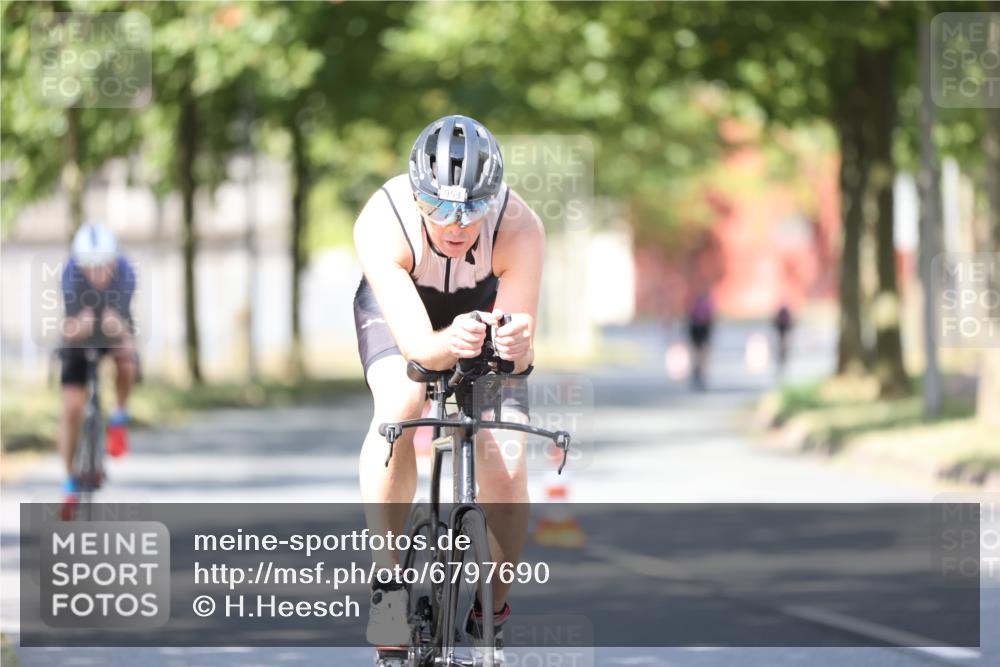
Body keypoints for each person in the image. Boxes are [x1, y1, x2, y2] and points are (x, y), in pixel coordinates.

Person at [352, 115, 543, 663]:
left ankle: (492, 608)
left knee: (507, 460)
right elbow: (418, 350)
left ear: (493, 199)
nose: (455, 224)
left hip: (481, 310)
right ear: (417, 196)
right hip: (402, 314)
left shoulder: (520, 226)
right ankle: (389, 584)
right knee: (400, 405)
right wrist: (446, 343)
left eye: (472, 209)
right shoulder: (382, 220)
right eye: (437, 208)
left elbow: (519, 357)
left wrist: (517, 345)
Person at [58, 223, 137, 511]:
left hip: (113, 326)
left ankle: (118, 418)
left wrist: (118, 328)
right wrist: (78, 327)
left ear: (114, 262)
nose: (98, 274)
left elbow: (125, 329)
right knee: (72, 408)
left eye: (104, 266)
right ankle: (70, 479)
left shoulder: (126, 273)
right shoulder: (70, 275)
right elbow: (68, 328)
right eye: (91, 268)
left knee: (127, 359)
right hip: (80, 333)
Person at [687, 289, 714, 390]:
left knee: (700, 353)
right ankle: (698, 371)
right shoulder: (705, 305)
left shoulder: (703, 305)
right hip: (699, 331)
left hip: (700, 331)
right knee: (700, 353)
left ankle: (699, 371)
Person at [773, 303, 794, 376]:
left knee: (783, 341)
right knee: (782, 341)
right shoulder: (783, 312)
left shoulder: (783, 312)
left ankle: (783, 352)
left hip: (783, 328)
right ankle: (782, 352)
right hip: (782, 328)